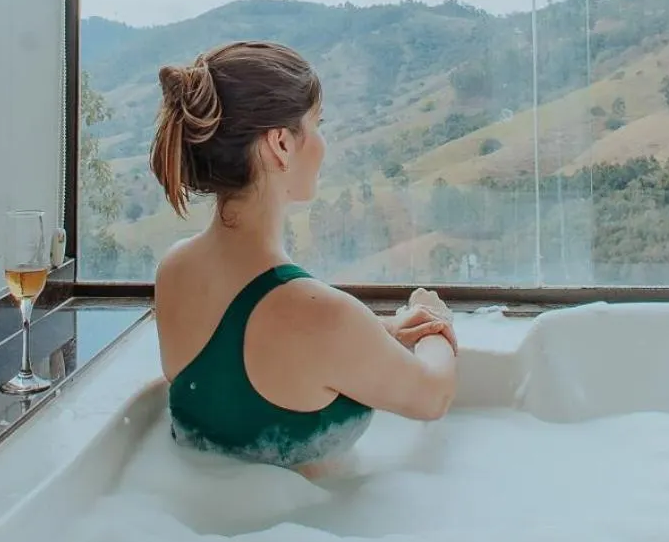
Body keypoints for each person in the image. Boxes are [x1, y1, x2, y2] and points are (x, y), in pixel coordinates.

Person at [150, 41, 460, 472]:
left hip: (206, 522)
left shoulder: (174, 269)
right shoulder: (319, 314)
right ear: (280, 144)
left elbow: (266, 347)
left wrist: (384, 330)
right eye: (317, 123)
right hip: (311, 529)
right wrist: (433, 323)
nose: (323, 142)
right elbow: (434, 396)